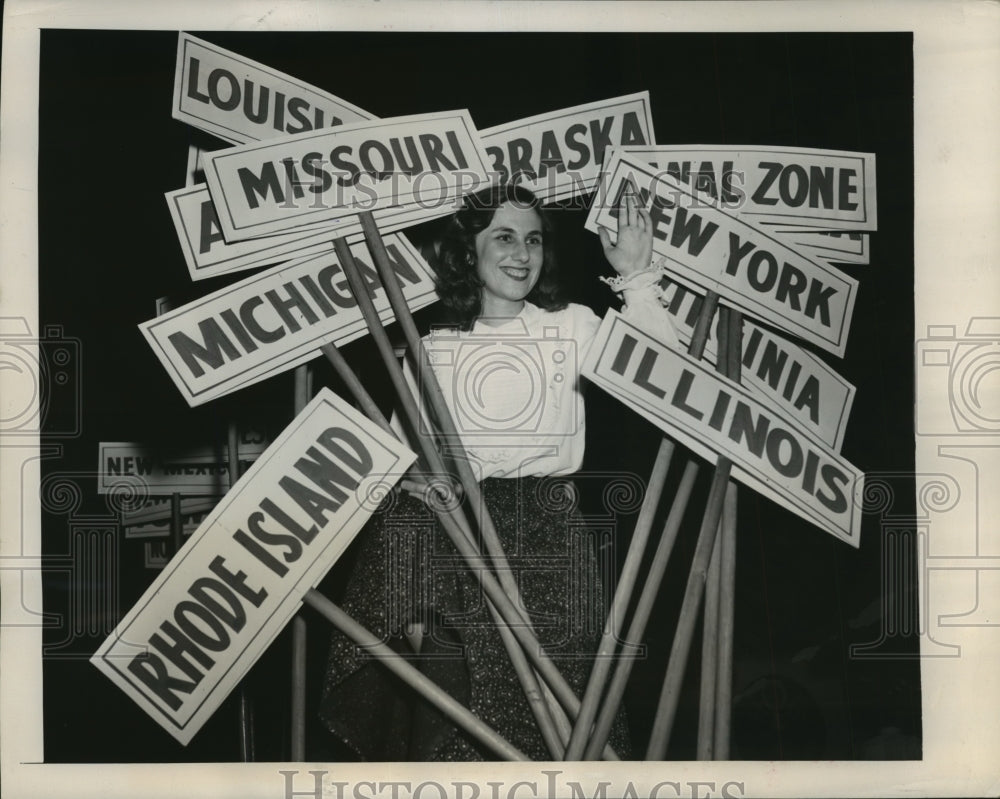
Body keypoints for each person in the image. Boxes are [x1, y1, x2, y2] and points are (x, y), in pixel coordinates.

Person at [319, 182, 676, 761]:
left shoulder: (573, 325)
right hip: (458, 545)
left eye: (533, 240)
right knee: (465, 727)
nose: (521, 253)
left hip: (550, 536)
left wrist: (636, 276)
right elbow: (397, 464)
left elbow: (667, 384)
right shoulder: (431, 349)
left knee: (568, 720)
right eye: (504, 237)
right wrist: (409, 483)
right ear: (469, 252)